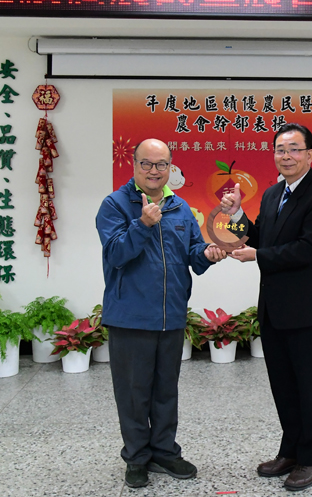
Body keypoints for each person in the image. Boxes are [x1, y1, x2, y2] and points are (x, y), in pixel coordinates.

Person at [96, 138, 226, 489]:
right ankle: (137, 457)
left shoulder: (180, 207)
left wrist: (208, 254)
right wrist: (142, 224)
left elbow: (193, 253)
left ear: (171, 166)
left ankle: (165, 452)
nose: (154, 171)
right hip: (130, 317)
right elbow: (116, 255)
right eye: (147, 164)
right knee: (134, 391)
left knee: (166, 389)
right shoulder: (114, 205)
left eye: (161, 164)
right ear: (134, 165)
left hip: (171, 315)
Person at [220, 123, 312, 492]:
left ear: (310, 153)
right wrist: (238, 214)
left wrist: (259, 255)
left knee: (307, 385)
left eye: (294, 149)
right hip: (272, 308)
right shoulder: (272, 195)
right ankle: (289, 450)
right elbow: (259, 236)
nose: (286, 156)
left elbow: (309, 249)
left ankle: (310, 458)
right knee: (282, 385)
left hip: (303, 310)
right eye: (280, 149)